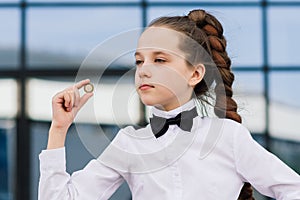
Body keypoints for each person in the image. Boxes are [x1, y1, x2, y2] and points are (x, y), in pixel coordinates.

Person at [38, 9, 300, 200]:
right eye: (139, 61)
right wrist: (58, 129)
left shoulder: (228, 137)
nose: (144, 70)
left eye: (160, 60)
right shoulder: (129, 143)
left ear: (195, 74)